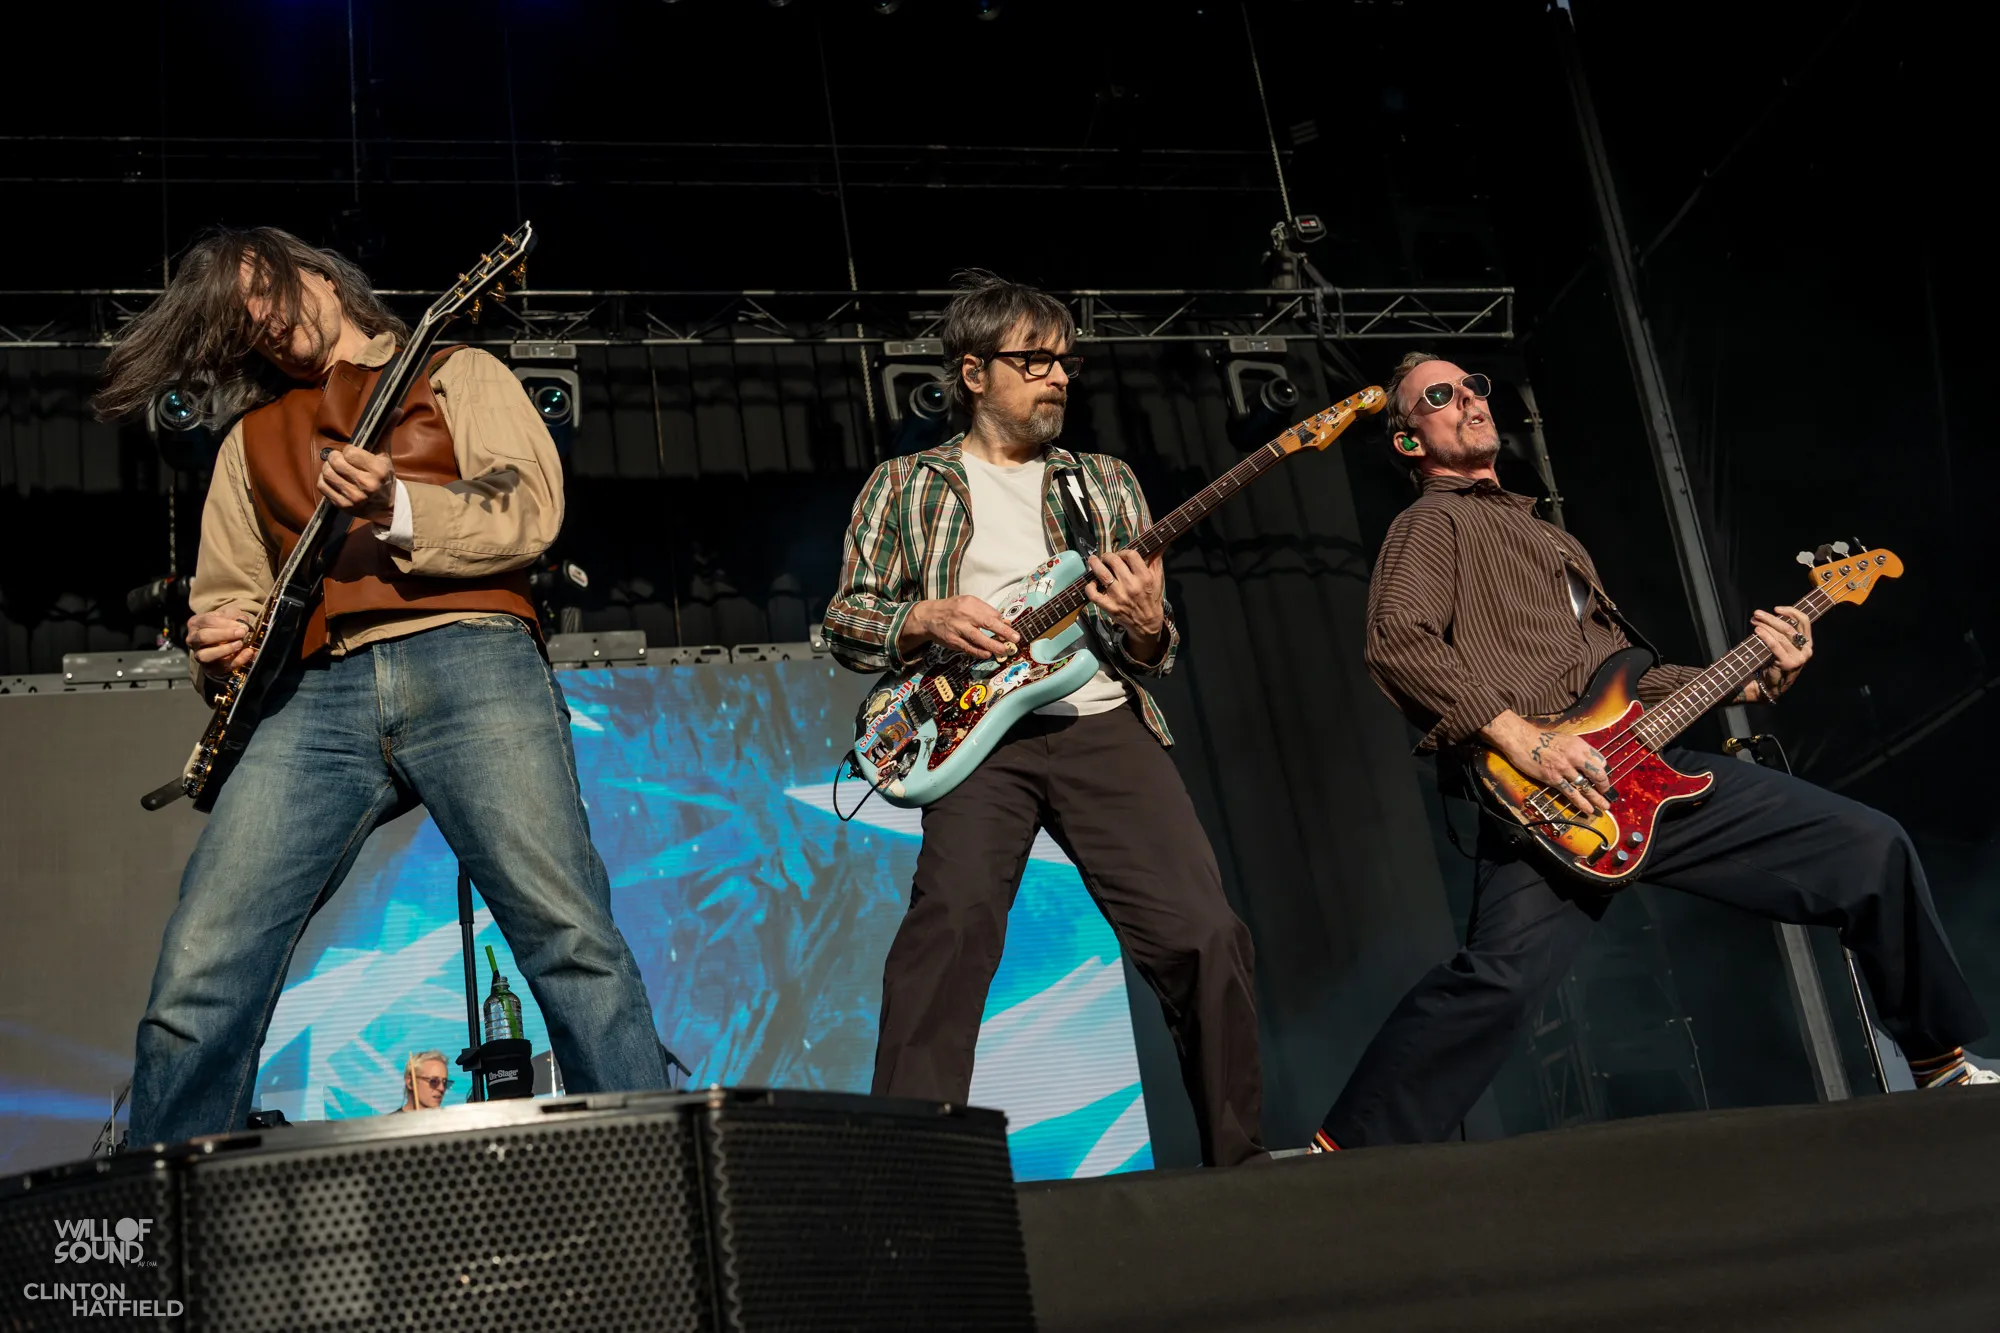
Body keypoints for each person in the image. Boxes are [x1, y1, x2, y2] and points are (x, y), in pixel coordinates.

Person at [1312, 352, 1993, 1152]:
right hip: (1552, 791)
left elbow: (1628, 681)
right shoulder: (1431, 524)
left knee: (1870, 847)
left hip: (1640, 774)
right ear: (1408, 440)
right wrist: (1523, 738)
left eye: (1474, 385)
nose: (1469, 398)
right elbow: (1398, 643)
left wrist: (1756, 676)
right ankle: (1344, 1154)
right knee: (1500, 978)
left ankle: (1938, 1066)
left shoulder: (1551, 538)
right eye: (1440, 394)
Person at [97, 226, 667, 1144]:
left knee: (570, 938)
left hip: (471, 652)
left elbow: (531, 508)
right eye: (237, 318)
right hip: (313, 694)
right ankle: (173, 1206)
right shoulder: (247, 443)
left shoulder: (456, 369)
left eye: (263, 290)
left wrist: (395, 503)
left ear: (320, 275)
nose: (258, 320)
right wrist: (217, 647)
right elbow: (227, 602)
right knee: (204, 964)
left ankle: (656, 1174)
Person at [824, 271, 1266, 1167]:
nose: (1059, 376)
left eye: (1065, 361)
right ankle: (914, 1174)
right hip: (975, 740)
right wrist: (925, 617)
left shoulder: (1104, 483)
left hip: (1100, 723)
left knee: (1206, 932)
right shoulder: (905, 484)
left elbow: (1153, 650)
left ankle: (1241, 1162)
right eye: (1034, 360)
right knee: (947, 934)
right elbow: (847, 620)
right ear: (973, 372)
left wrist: (1146, 624)